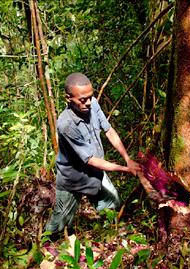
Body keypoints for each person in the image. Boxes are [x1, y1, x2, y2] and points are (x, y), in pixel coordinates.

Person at [45, 72, 141, 234]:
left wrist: (127, 159)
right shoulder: (66, 124)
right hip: (72, 179)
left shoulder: (93, 104)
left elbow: (109, 131)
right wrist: (124, 169)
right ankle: (44, 248)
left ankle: (110, 235)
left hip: (95, 172)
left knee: (113, 203)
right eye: (82, 100)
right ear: (68, 98)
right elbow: (90, 160)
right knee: (58, 224)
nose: (88, 103)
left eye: (90, 97)